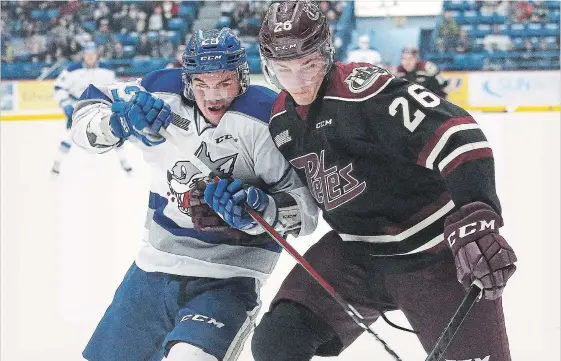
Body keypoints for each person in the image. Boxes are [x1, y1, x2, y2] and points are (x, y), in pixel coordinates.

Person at [232, 2, 516, 361]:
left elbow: (459, 136)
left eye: (310, 64)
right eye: (284, 68)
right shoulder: (280, 121)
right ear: (268, 66)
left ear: (327, 53)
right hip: (357, 257)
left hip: (435, 256)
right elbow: (298, 197)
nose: (299, 80)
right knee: (278, 341)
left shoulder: (362, 92)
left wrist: (477, 220)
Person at [70, 27, 318, 361]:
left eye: (224, 82)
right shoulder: (161, 93)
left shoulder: (267, 119)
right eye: (202, 83)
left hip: (227, 279)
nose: (213, 96)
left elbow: (305, 213)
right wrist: (118, 124)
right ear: (188, 80)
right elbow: (86, 114)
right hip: (151, 270)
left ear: (242, 77)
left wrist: (262, 208)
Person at [52, 42, 132, 175]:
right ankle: (57, 164)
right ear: (83, 55)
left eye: (92, 55)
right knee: (70, 135)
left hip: (101, 107)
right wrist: (65, 104)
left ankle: (124, 162)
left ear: (96, 55)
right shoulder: (72, 70)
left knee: (115, 132)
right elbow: (59, 87)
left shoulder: (106, 70)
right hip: (78, 109)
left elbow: (115, 87)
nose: (90, 57)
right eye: (87, 54)